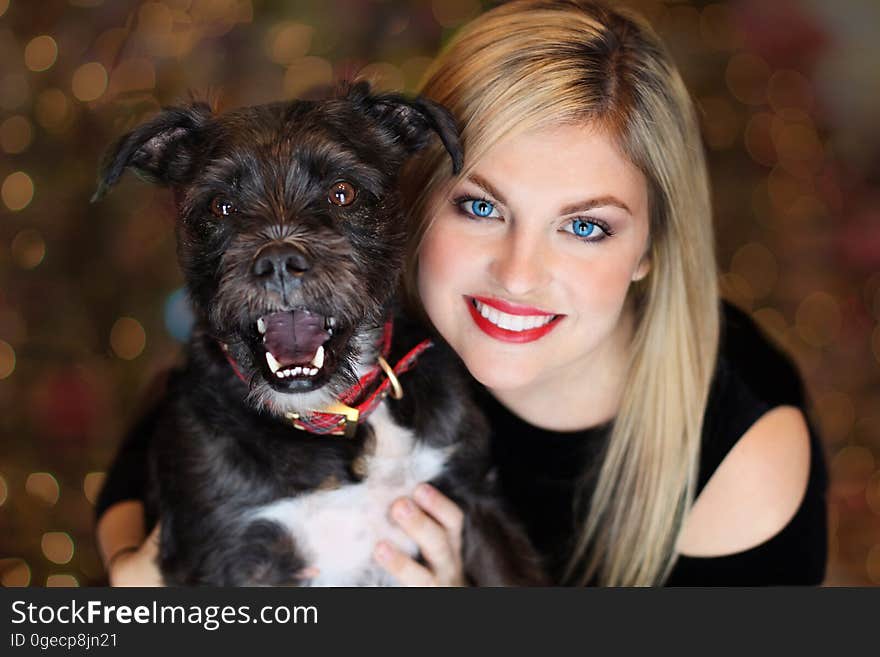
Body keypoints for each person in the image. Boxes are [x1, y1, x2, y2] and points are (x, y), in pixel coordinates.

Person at [95, 0, 827, 586]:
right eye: (481, 206)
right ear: (415, 198)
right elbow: (169, 438)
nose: (516, 273)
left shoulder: (741, 453)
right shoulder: (370, 309)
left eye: (584, 225)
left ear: (652, 248)